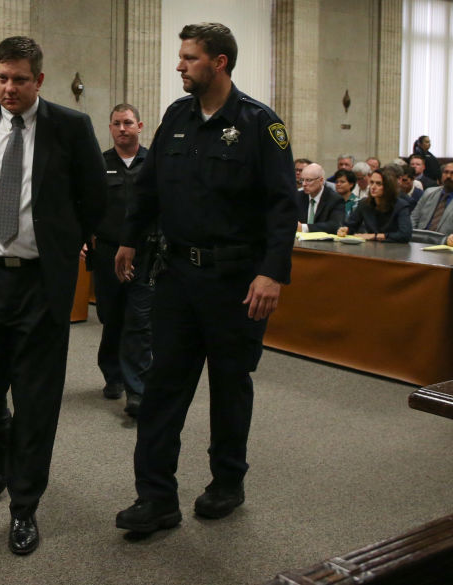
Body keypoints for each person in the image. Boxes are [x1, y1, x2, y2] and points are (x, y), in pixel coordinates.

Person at [113, 22, 298, 536]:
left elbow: (284, 205)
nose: (179, 66)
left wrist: (272, 273)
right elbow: (148, 188)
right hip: (175, 276)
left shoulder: (260, 124)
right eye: (181, 57)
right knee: (162, 388)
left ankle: (227, 482)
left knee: (229, 385)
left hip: (235, 280)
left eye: (189, 58)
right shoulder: (176, 117)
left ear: (218, 63)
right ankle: (156, 498)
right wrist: (129, 238)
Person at [0, 36, 106, 555]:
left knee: (37, 402)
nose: (9, 88)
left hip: (41, 285)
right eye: (1, 78)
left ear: (39, 80)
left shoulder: (71, 127)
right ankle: (3, 446)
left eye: (19, 79)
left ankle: (24, 508)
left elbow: (92, 199)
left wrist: (72, 245)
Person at [90, 103, 153, 418]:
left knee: (139, 322)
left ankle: (136, 390)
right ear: (110, 127)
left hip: (145, 255)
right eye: (116, 123)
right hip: (107, 254)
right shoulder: (99, 164)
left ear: (139, 126)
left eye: (128, 123)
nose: (122, 129)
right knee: (111, 317)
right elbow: (87, 207)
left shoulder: (154, 163)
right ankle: (112, 374)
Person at [337, 168, 412, 242]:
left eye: (378, 184)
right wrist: (346, 230)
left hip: (395, 249)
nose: (373, 187)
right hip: (371, 248)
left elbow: (405, 235)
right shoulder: (364, 203)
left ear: (388, 186)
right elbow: (352, 225)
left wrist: (374, 236)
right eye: (372, 182)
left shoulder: (401, 205)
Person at [410, 162, 453, 235]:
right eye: (445, 172)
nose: (448, 176)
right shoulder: (429, 192)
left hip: (445, 243)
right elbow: (414, 218)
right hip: (419, 239)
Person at [298, 163, 345, 233]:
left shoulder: (335, 199)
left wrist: (304, 227)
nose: (304, 184)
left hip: (323, 242)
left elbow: (335, 225)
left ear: (321, 180)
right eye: (302, 180)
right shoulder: (298, 197)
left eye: (308, 180)